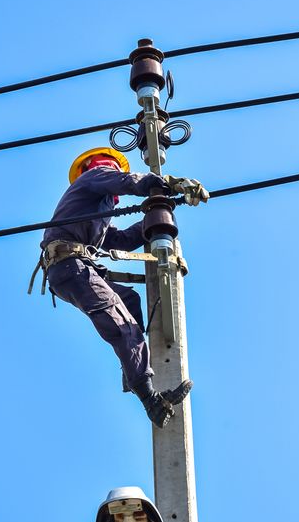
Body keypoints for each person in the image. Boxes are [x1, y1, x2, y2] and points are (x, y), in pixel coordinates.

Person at [30, 147, 209, 428]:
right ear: (96, 167)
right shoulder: (94, 177)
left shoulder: (93, 214)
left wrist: (158, 214)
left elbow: (123, 240)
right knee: (123, 325)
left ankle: (133, 370)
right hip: (71, 265)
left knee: (129, 301)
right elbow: (127, 182)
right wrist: (166, 183)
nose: (113, 171)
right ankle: (150, 398)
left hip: (73, 267)